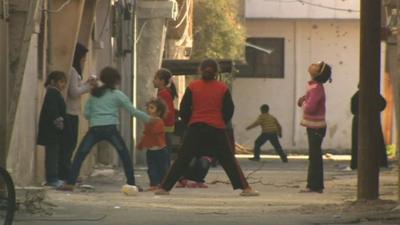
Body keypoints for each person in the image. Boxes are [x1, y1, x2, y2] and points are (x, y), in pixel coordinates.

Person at [155, 59, 258, 196]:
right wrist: (220, 121)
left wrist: (190, 122)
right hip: (216, 128)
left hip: (196, 127)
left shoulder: (193, 86)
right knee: (228, 159)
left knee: (182, 158)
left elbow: (184, 109)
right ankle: (246, 189)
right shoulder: (222, 88)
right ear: (217, 73)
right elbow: (229, 110)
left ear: (200, 70)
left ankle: (164, 188)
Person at [59, 67, 151, 192]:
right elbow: (132, 111)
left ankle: (70, 183)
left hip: (95, 128)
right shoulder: (117, 95)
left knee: (80, 154)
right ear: (115, 80)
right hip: (111, 128)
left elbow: (86, 113)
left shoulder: (94, 94)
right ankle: (131, 183)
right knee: (124, 155)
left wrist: (96, 116)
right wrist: (150, 119)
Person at [60, 43, 95, 181]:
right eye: (83, 57)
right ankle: (65, 173)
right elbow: (74, 92)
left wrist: (86, 83)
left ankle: (67, 172)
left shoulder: (75, 72)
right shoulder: (73, 71)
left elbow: (77, 88)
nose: (84, 60)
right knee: (68, 144)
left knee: (71, 144)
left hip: (73, 112)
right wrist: (88, 86)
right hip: (69, 112)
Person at [297, 61, 332, 193]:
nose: (312, 64)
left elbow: (310, 108)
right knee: (314, 155)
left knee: (315, 156)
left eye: (316, 65)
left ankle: (314, 185)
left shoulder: (316, 87)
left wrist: (304, 102)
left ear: (317, 73)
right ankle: (314, 185)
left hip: (316, 126)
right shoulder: (314, 86)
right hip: (314, 126)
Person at [37, 71, 68, 188]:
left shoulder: (55, 93)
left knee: (53, 153)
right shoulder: (52, 93)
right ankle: (52, 178)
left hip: (52, 130)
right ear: (53, 82)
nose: (63, 85)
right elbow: (53, 110)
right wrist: (59, 122)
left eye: (64, 82)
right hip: (51, 130)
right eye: (61, 82)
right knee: (52, 154)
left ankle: (53, 177)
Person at [350, 88, 387, 170]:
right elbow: (383, 104)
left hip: (360, 121)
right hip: (372, 119)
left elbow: (353, 109)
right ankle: (379, 162)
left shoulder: (356, 96)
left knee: (359, 142)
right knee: (374, 140)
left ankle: (357, 163)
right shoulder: (374, 94)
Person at [137, 98, 169, 191]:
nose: (148, 110)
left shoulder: (159, 122)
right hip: (151, 150)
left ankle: (164, 184)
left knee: (163, 168)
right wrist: (141, 143)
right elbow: (146, 135)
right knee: (151, 169)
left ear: (158, 112)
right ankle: (154, 184)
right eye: (148, 108)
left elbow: (153, 132)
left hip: (161, 150)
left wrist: (149, 124)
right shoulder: (148, 122)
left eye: (151, 108)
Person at [153, 68, 177, 164]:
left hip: (164, 128)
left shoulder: (164, 94)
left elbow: (166, 112)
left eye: (155, 78)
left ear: (162, 81)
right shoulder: (164, 93)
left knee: (163, 154)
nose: (153, 81)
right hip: (165, 128)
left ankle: (164, 175)